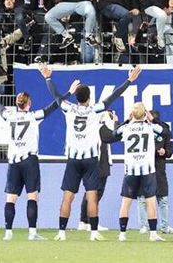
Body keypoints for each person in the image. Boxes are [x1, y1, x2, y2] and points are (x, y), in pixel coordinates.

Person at [47, 66, 139, 241]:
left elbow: (56, 96)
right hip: (90, 159)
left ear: (76, 97)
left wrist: (48, 79)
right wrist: (129, 81)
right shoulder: (95, 110)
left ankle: (61, 232)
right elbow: (113, 96)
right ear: (89, 97)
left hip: (73, 159)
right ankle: (94, 232)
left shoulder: (69, 109)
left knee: (68, 196)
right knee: (92, 195)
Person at [0, 65, 60, 241]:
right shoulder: (33, 116)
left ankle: (8, 232)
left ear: (17, 104)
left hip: (14, 161)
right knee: (32, 196)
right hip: (29, 160)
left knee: (11, 198)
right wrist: (67, 93)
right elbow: (54, 106)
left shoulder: (10, 115)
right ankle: (32, 233)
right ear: (29, 104)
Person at [103, 102, 164, 242]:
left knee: (126, 202)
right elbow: (165, 131)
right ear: (145, 114)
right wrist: (152, 119)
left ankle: (122, 234)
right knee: (151, 201)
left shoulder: (126, 128)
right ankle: (153, 234)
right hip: (147, 169)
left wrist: (126, 120)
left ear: (131, 113)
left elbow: (114, 133)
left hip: (131, 170)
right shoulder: (150, 127)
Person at [138, 110, 173, 236]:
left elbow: (170, 150)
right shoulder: (142, 128)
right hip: (144, 167)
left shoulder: (165, 130)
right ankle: (144, 226)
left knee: (162, 199)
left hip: (159, 169)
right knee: (142, 198)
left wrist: (165, 151)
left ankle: (164, 226)